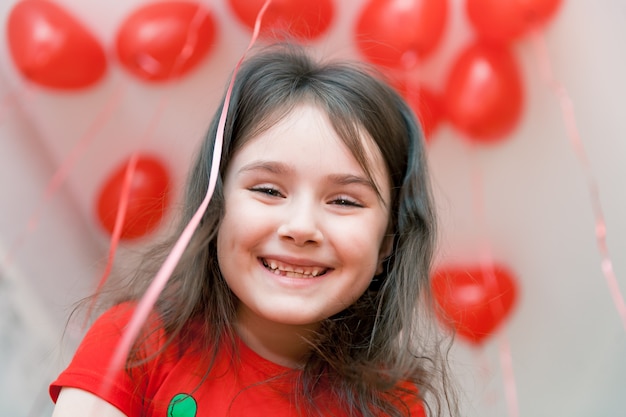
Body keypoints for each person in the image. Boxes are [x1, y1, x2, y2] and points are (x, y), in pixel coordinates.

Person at [50, 43, 456, 417]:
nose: (301, 227)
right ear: (215, 206)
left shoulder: (393, 403)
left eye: (344, 201)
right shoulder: (136, 342)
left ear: (389, 240)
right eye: (268, 190)